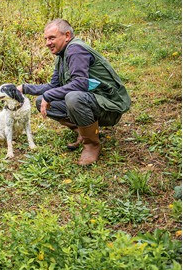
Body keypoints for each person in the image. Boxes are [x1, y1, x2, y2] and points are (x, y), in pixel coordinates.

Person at [17, 19, 131, 165]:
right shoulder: (61, 55)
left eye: (52, 38)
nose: (47, 43)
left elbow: (80, 84)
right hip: (93, 101)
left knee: (73, 97)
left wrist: (48, 95)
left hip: (110, 107)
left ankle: (91, 144)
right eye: (46, 39)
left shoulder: (75, 50)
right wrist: (24, 88)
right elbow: (54, 86)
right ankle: (82, 132)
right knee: (41, 101)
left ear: (67, 35)